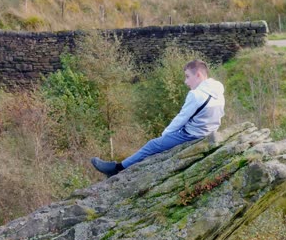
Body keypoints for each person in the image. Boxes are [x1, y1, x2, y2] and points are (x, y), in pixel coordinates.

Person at [91, 59, 225, 177]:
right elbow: (220, 113)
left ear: (198, 75)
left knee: (152, 145)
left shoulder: (196, 95)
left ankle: (116, 168)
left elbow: (181, 118)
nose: (186, 81)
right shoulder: (218, 89)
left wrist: (165, 135)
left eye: (187, 77)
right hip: (209, 132)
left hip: (192, 135)